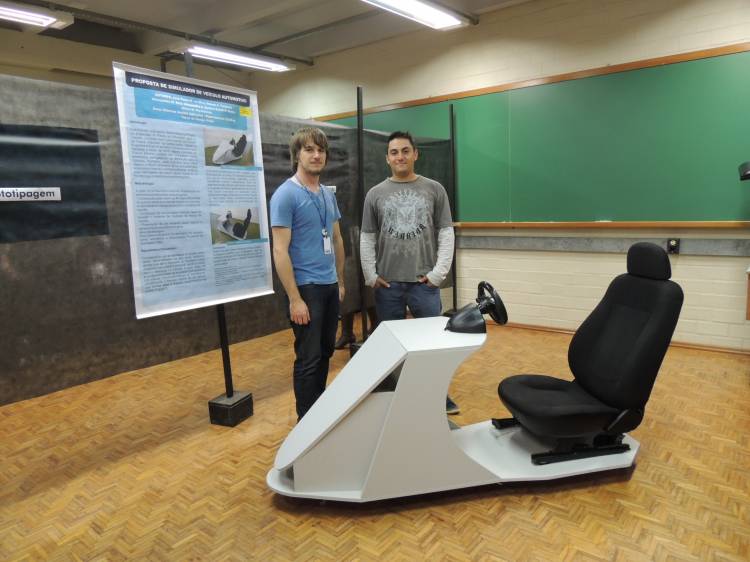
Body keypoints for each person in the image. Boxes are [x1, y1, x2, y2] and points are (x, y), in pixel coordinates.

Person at [360, 131, 459, 414]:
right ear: (387, 158)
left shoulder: (435, 189)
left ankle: (438, 395)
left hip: (423, 284)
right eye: (394, 152)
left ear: (415, 154)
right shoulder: (375, 194)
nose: (400, 157)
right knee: (391, 346)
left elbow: (446, 232)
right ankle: (395, 396)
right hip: (388, 285)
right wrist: (370, 275)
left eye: (405, 151)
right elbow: (367, 237)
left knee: (432, 345)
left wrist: (438, 274)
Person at [270, 127, 345, 420]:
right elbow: (280, 250)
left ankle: (319, 414)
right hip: (306, 289)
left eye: (321, 150)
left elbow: (336, 239)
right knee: (308, 358)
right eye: (309, 150)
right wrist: (294, 299)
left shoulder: (327, 194)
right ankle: (306, 423)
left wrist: (340, 280)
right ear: (297, 155)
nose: (316, 155)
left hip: (329, 285)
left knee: (326, 352)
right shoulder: (285, 195)